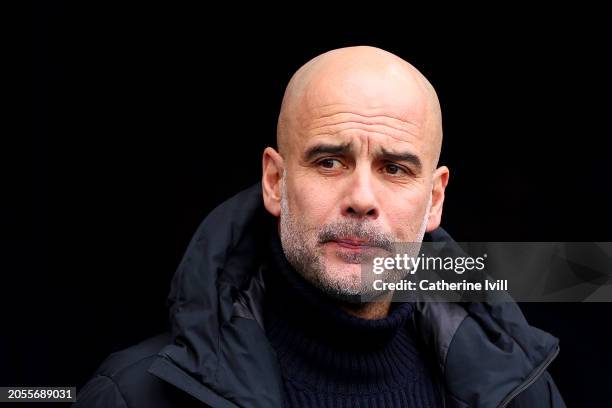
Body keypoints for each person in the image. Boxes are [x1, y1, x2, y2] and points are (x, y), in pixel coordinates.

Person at [74, 46, 565, 407]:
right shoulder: (135, 395)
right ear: (274, 181)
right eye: (330, 161)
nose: (361, 200)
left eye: (395, 169)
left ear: (434, 199)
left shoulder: (522, 393)